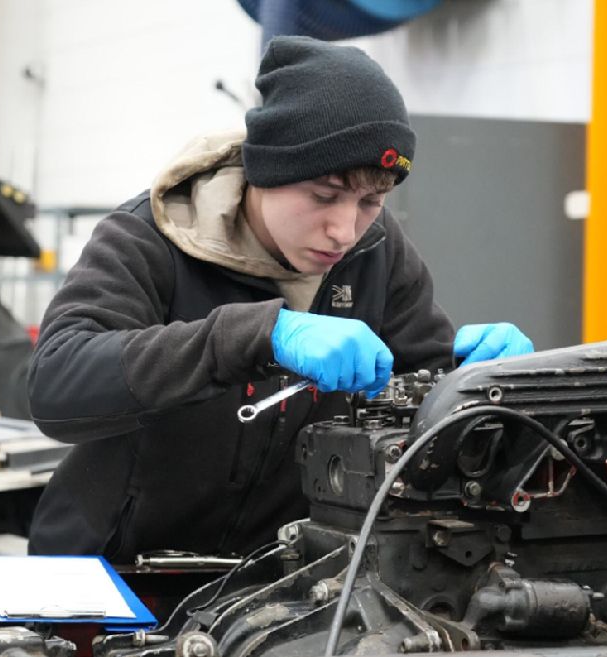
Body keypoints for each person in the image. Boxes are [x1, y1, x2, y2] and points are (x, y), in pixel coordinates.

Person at [27, 36, 533, 561]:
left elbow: (431, 400)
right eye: (324, 196)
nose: (345, 231)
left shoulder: (379, 253)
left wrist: (481, 384)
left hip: (268, 580)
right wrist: (254, 336)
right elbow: (56, 383)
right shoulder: (150, 238)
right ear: (265, 173)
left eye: (371, 201)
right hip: (114, 569)